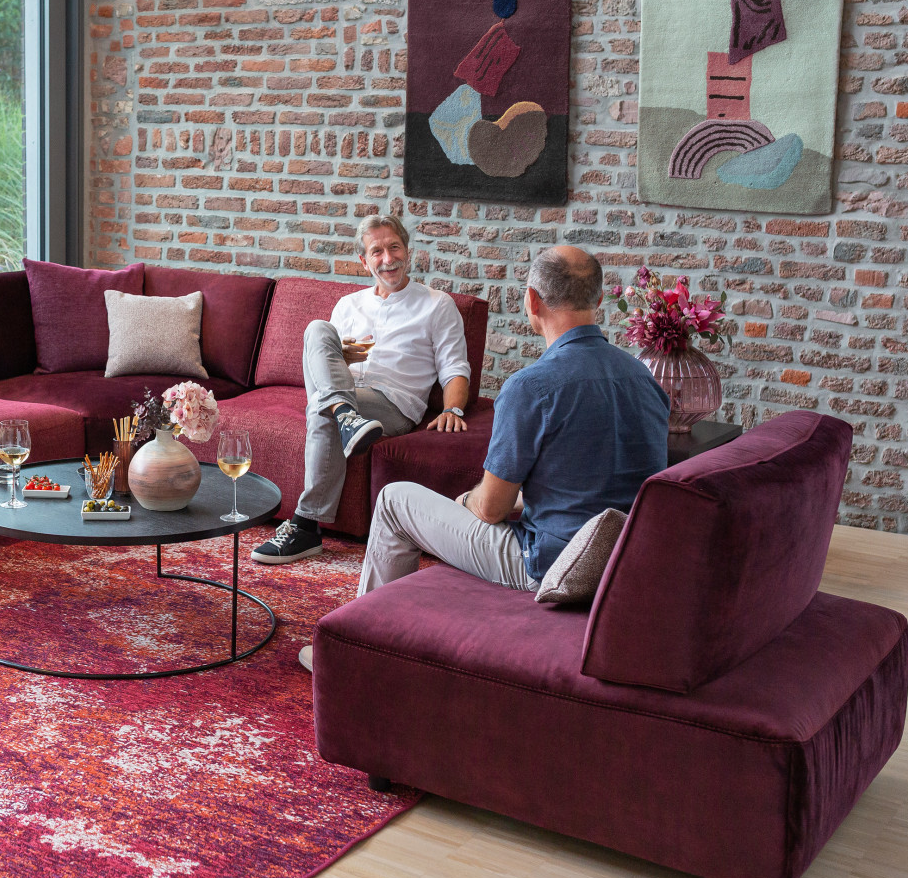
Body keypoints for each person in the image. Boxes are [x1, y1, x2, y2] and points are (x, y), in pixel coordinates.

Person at [297, 246, 670, 670]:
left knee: (394, 500)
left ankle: (356, 653)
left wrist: (467, 501)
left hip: (546, 565)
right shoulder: (643, 377)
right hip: (623, 561)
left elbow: (490, 510)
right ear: (599, 299)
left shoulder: (531, 386)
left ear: (532, 301)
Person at [251, 214, 473, 565]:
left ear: (408, 251)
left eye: (394, 247)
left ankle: (306, 525)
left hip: (392, 403)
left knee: (322, 407)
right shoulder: (348, 305)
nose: (388, 259)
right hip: (347, 389)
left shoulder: (437, 304)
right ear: (364, 261)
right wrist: (340, 356)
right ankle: (346, 417)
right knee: (316, 330)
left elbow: (455, 368)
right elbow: (320, 362)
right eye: (377, 251)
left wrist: (452, 409)